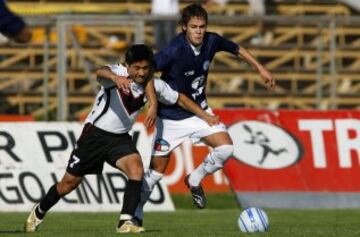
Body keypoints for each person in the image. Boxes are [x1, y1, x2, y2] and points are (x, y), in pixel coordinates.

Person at [24, 44, 219, 233]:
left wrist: (206, 116)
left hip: (120, 138)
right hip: (95, 136)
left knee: (136, 169)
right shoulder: (118, 73)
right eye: (137, 68)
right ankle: (39, 210)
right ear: (128, 66)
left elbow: (180, 99)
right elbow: (100, 71)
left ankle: (126, 221)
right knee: (68, 184)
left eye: (145, 68)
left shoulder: (155, 85)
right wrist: (115, 77)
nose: (141, 73)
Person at [130, 3, 275, 226]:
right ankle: (135, 216)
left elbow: (236, 48)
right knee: (156, 173)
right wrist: (152, 104)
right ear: (183, 28)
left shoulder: (211, 40)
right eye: (194, 27)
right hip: (170, 119)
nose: (199, 31)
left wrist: (260, 68)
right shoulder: (174, 49)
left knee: (226, 148)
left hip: (199, 112)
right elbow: (147, 72)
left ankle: (195, 179)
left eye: (202, 26)